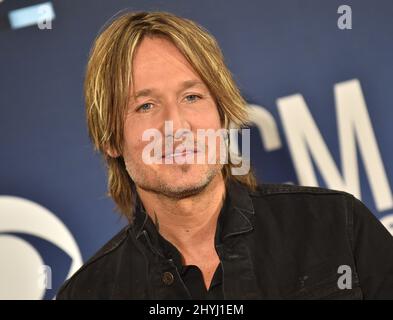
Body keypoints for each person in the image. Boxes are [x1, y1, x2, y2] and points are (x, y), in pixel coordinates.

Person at [57, 11, 393, 299]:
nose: (176, 126)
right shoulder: (89, 292)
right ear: (111, 139)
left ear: (221, 112)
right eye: (146, 106)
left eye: (192, 97)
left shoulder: (338, 225)